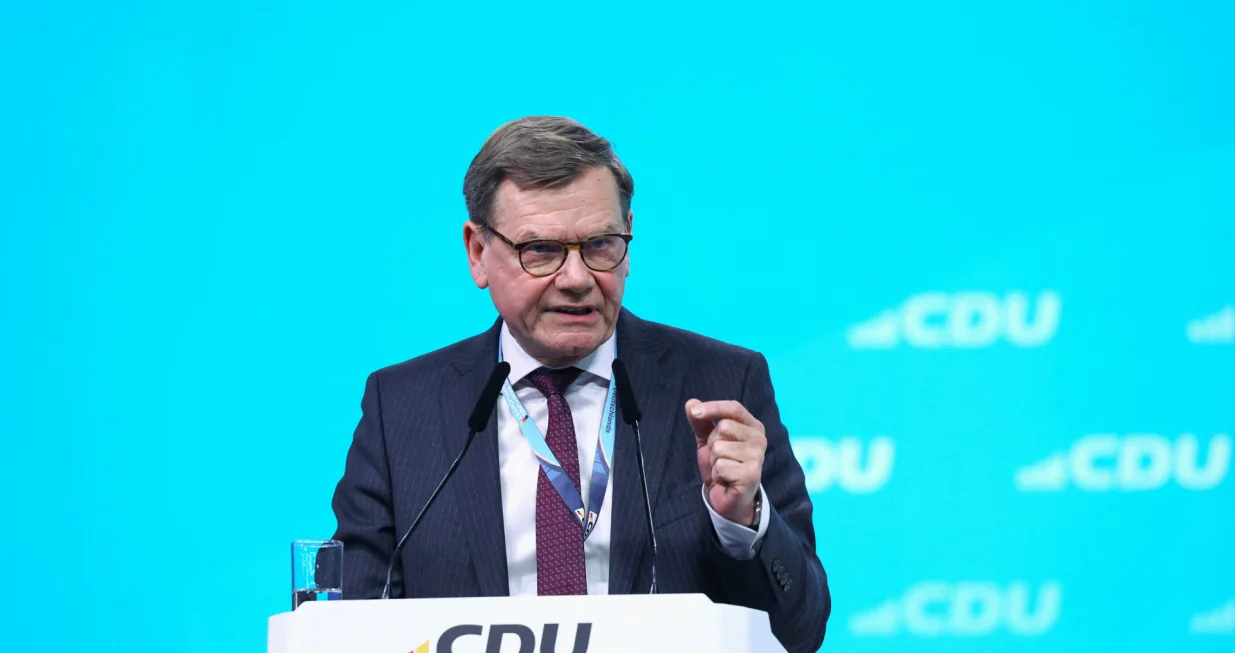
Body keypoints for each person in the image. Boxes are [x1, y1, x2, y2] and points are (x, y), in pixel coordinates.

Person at [331, 116, 830, 652]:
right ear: (477, 252)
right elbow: (351, 625)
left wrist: (743, 521)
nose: (576, 278)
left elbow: (800, 635)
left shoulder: (722, 384)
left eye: (600, 245)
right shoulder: (403, 408)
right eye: (540, 250)